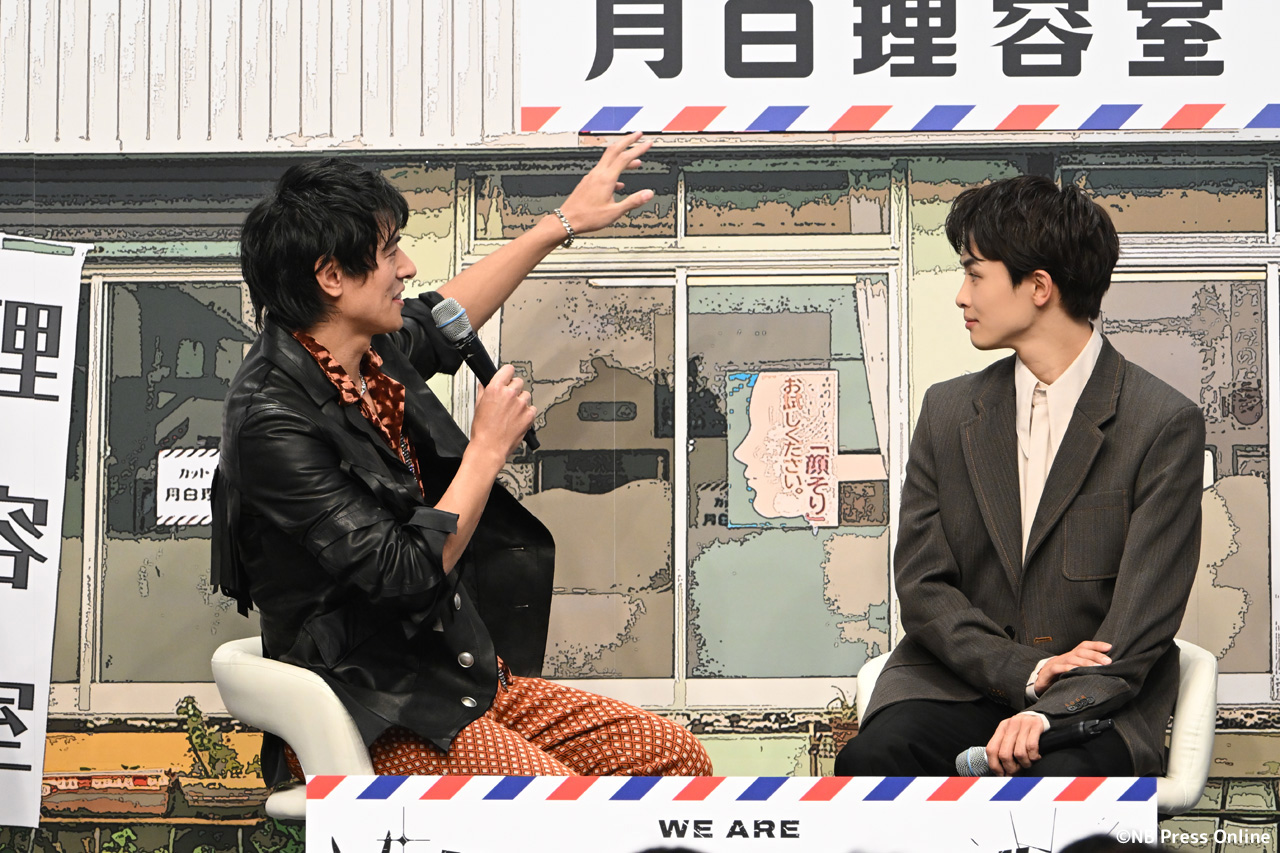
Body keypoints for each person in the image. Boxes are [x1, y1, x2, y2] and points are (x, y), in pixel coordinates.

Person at [211, 134, 711, 783]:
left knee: (673, 756)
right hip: (375, 706)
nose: (407, 267)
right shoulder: (271, 420)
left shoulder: (369, 355)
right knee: (554, 803)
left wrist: (560, 223)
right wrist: (486, 449)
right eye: (389, 251)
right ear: (331, 276)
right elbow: (403, 574)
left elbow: (446, 316)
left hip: (456, 676)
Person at [835, 175, 1204, 777]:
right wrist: (1024, 672)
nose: (961, 296)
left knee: (1053, 779)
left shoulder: (1162, 423)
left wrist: (1050, 708)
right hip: (955, 684)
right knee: (874, 759)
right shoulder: (948, 411)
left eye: (975, 274)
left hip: (1097, 700)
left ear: (1038, 287)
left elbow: (1144, 614)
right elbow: (923, 586)